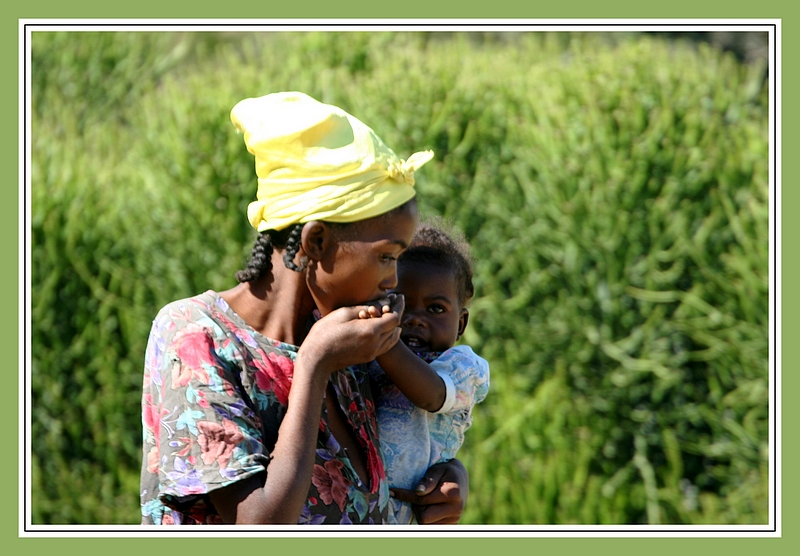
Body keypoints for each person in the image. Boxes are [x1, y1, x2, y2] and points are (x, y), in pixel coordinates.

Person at [139, 91, 468, 525]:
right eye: (387, 257)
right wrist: (313, 365)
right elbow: (259, 527)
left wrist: (448, 475)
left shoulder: (348, 334)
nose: (393, 281)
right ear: (316, 241)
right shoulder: (197, 337)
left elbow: (406, 437)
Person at [362, 218, 489, 524]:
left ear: (461, 324)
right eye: (401, 303)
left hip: (414, 512)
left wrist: (385, 338)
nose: (415, 319)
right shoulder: (371, 355)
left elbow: (431, 395)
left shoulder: (463, 367)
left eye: (435, 309)